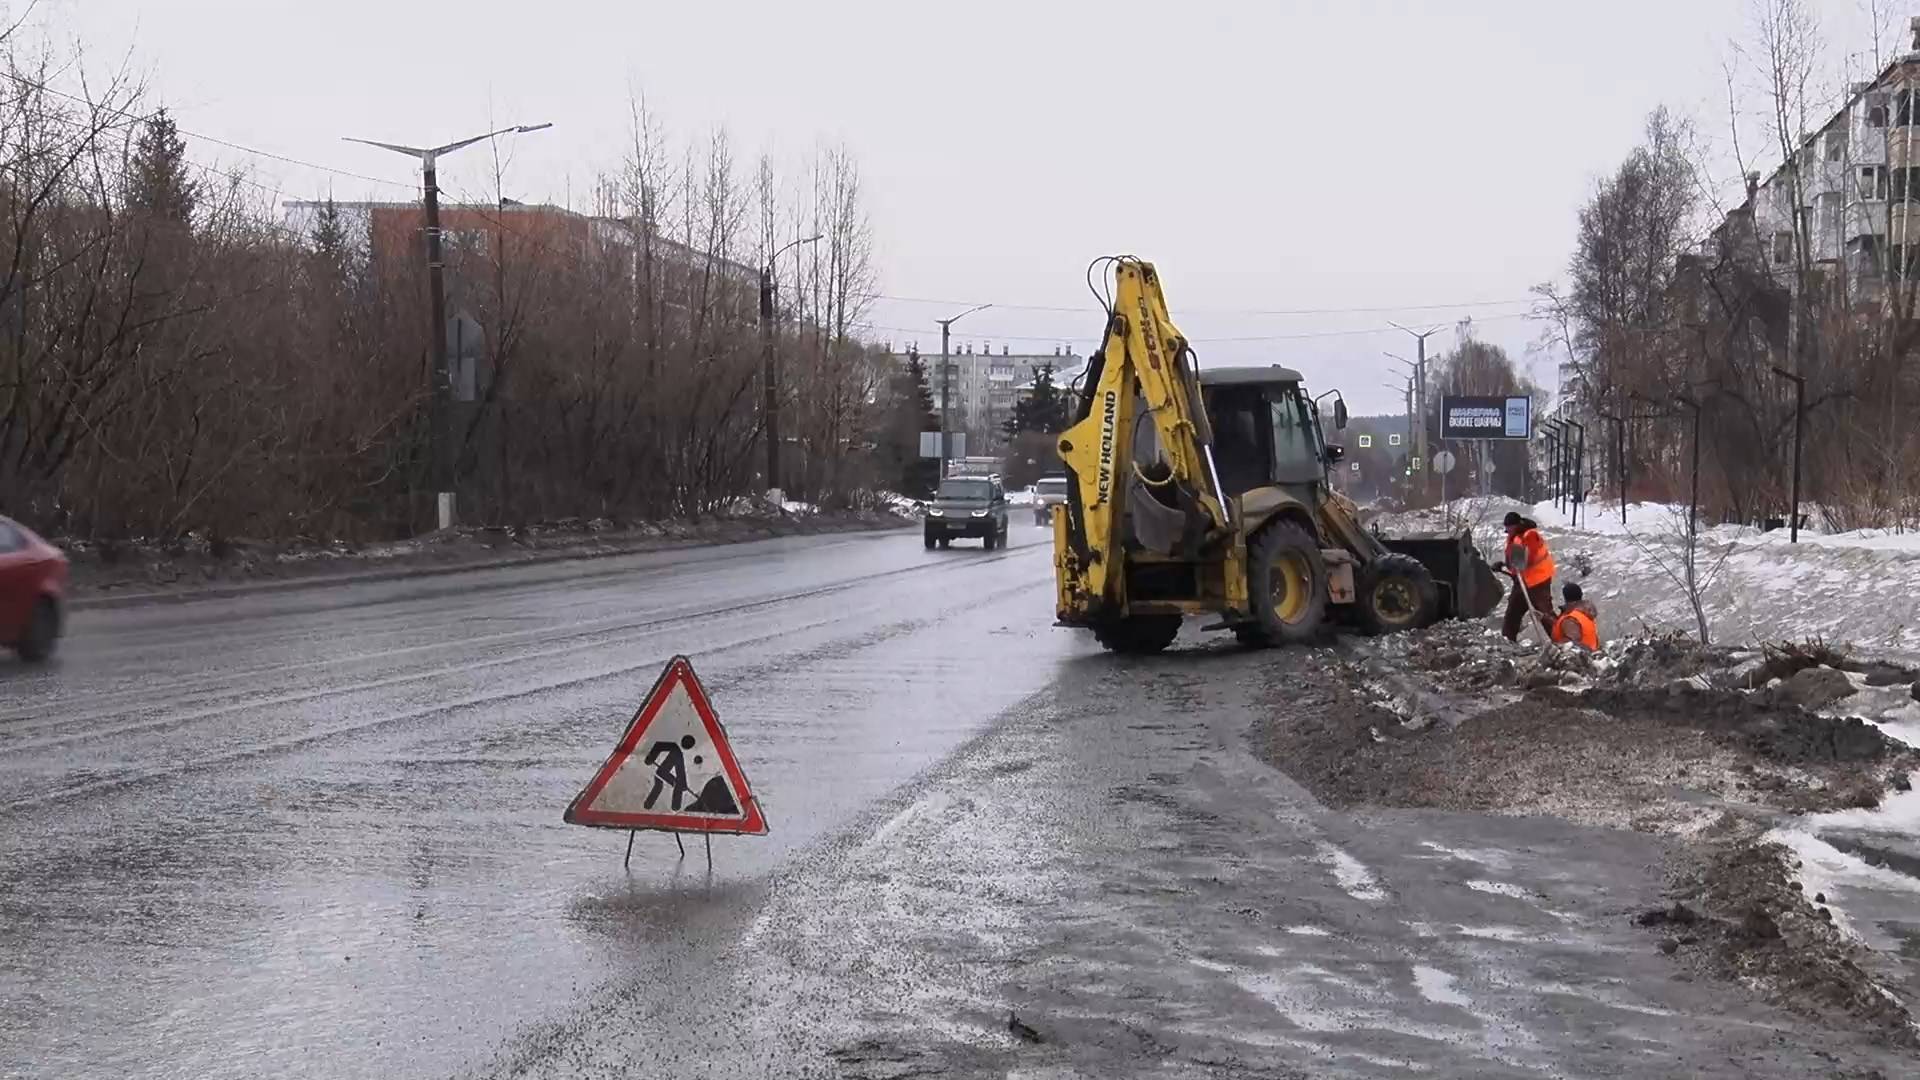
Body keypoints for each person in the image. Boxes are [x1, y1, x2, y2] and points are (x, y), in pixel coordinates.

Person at [1495, 511, 1555, 642]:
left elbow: (1528, 558)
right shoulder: (1513, 537)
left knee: (1544, 613)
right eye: (1506, 527)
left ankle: (1561, 641)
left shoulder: (1530, 535)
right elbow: (1516, 562)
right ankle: (1508, 640)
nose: (1507, 530)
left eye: (1509, 527)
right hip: (1522, 581)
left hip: (1538, 581)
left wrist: (1516, 564)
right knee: (1512, 612)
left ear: (1516, 525)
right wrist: (1505, 565)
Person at [1552, 582, 1600, 651]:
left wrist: (1554, 645)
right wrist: (1544, 617)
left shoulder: (1570, 620)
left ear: (1565, 598)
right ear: (1581, 594)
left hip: (1582, 657)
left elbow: (1572, 643)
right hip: (1593, 653)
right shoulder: (1584, 611)